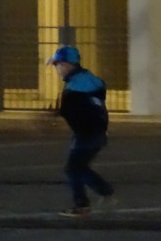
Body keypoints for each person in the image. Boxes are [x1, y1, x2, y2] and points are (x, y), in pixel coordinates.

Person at [47, 46, 115, 218]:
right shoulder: (91, 79)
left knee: (74, 169)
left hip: (86, 135)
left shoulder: (73, 88)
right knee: (78, 167)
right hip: (99, 133)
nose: (57, 69)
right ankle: (104, 192)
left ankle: (84, 204)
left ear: (67, 65)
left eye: (58, 65)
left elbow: (70, 111)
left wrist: (55, 114)